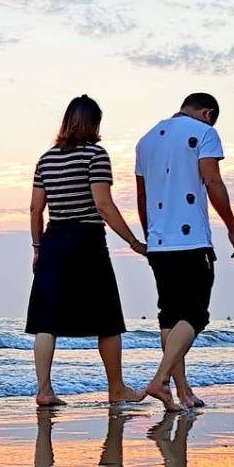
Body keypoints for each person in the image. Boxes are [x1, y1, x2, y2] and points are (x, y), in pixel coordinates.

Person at [27, 95, 148, 407]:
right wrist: (134, 242)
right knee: (107, 317)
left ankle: (44, 390)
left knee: (46, 319)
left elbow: (35, 210)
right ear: (94, 123)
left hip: (53, 240)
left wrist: (38, 248)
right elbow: (103, 205)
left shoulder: (46, 159)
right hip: (87, 239)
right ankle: (116, 388)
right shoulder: (96, 155)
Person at [134, 92, 234, 411]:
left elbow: (141, 195)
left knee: (169, 316)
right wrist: (233, 229)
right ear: (207, 113)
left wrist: (149, 236)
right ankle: (160, 381)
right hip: (192, 240)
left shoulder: (145, 141)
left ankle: (181, 393)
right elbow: (212, 181)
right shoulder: (205, 133)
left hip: (159, 243)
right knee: (195, 315)